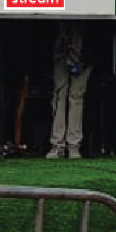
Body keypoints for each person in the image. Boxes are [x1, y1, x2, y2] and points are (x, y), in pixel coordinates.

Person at [48, 23, 89, 159]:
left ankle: (73, 145)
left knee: (76, 98)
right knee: (60, 96)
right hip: (61, 54)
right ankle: (57, 144)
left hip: (83, 56)